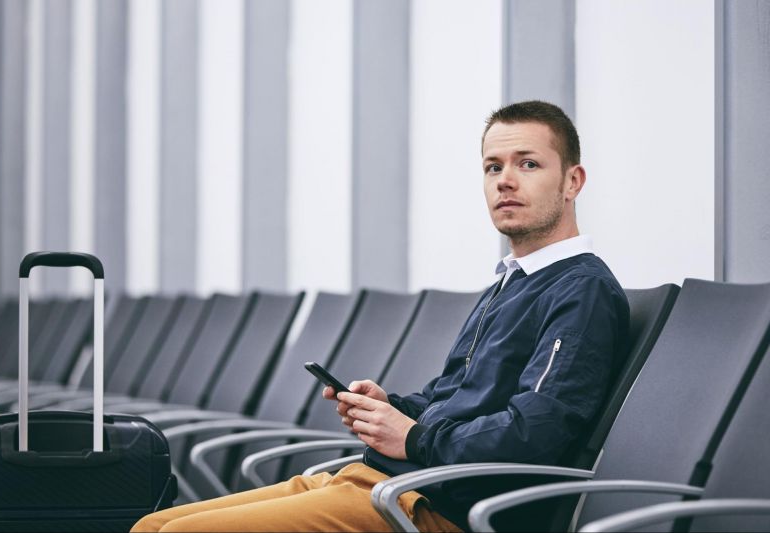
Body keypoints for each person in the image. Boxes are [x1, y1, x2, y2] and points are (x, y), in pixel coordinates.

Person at [132, 101, 630, 532]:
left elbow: (534, 435)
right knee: (152, 525)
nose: (506, 181)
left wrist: (411, 435)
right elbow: (452, 398)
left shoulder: (580, 290)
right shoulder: (510, 281)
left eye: (528, 164)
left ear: (572, 181)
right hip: (385, 480)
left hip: (433, 506)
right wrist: (388, 408)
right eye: (492, 167)